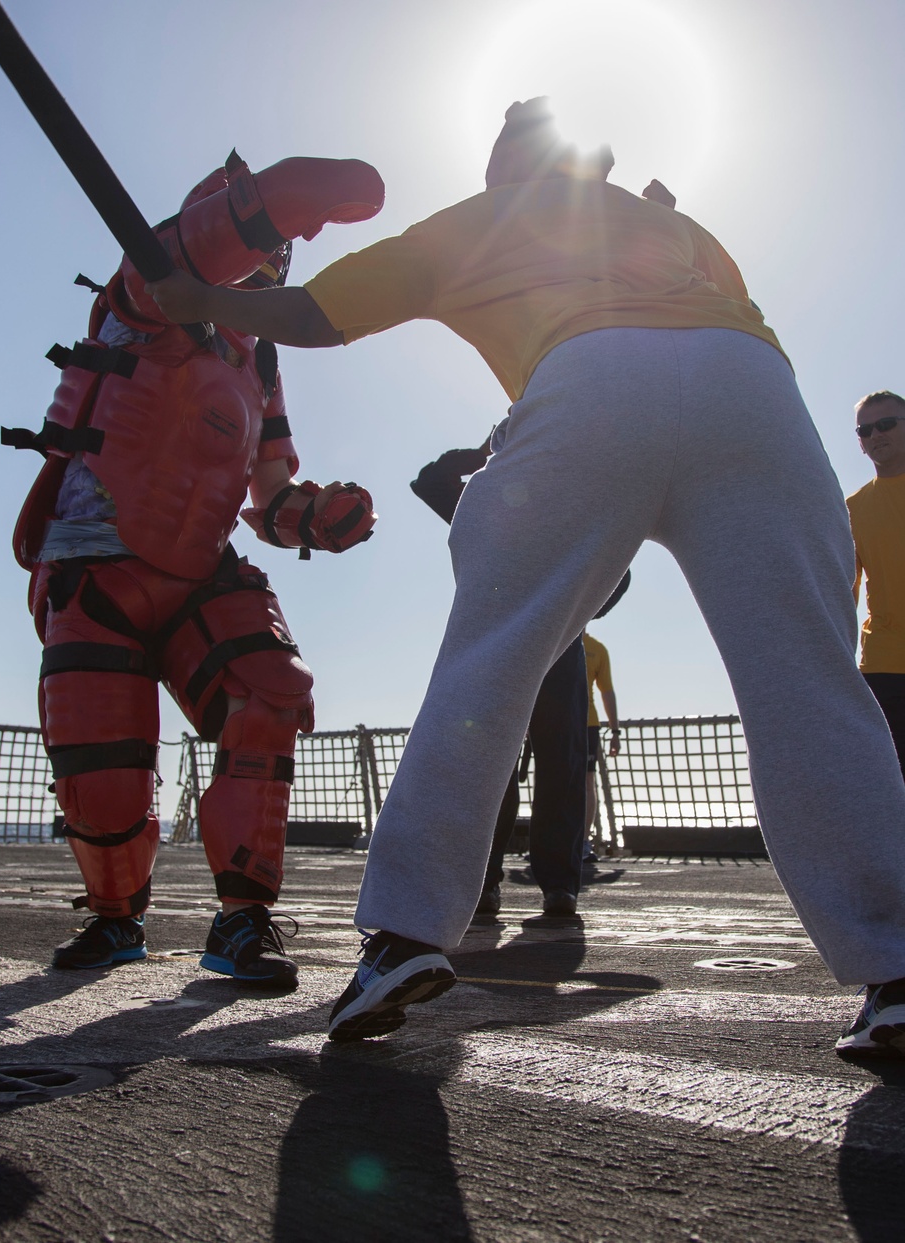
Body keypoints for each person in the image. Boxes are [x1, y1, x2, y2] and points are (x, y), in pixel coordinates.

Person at [147, 98, 905, 1056]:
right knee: (809, 682)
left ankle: (406, 937)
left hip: (591, 382)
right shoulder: (675, 224)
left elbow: (313, 313)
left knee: (489, 663)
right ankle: (899, 968)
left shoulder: (479, 218)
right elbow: (707, 314)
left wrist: (205, 301)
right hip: (755, 388)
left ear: (507, 163)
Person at [8, 150, 384, 981]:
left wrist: (316, 515)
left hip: (201, 567)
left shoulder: (262, 364)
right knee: (101, 765)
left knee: (271, 687)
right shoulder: (143, 293)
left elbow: (272, 497)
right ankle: (113, 918)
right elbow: (194, 251)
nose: (271, 259)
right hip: (96, 565)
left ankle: (244, 922)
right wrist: (286, 198)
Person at [411, 441, 629, 916]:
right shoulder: (506, 509)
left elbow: (620, 570)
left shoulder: (503, 512)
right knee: (524, 768)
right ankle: (521, 885)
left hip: (520, 647)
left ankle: (543, 887)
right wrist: (488, 450)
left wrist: (577, 614)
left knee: (542, 767)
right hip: (525, 647)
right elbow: (429, 482)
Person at [847, 391, 905, 778]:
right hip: (884, 667)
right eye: (865, 430)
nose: (875, 435)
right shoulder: (850, 509)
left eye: (886, 424)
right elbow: (842, 594)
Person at [582, 630, 621, 858]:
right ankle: (548, 842)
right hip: (555, 724)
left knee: (587, 780)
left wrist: (615, 731)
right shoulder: (555, 641)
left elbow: (607, 691)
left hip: (587, 724)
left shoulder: (597, 649)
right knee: (551, 781)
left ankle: (583, 842)